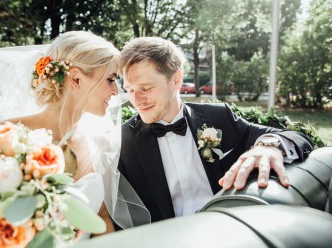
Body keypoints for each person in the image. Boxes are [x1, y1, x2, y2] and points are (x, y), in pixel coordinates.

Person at [0, 31, 150, 242]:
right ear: (75, 78)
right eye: (111, 79)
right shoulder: (1, 136)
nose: (116, 91)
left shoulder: (97, 141)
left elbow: (101, 217)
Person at [118, 37, 314, 223]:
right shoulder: (123, 141)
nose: (136, 100)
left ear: (176, 80)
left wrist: (269, 147)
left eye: (146, 88)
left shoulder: (219, 118)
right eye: (130, 89)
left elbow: (295, 137)